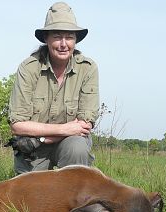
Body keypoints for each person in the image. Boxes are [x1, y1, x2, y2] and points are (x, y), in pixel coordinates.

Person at [7, 2, 99, 174]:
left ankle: (74, 197)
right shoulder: (28, 68)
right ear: (46, 39)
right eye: (57, 36)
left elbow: (83, 126)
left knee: (77, 147)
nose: (63, 44)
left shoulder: (88, 68)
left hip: (66, 143)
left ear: (75, 40)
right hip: (33, 149)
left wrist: (41, 137)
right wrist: (63, 129)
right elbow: (17, 126)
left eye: (69, 37)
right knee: (30, 199)